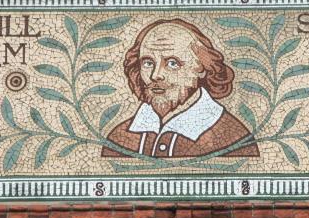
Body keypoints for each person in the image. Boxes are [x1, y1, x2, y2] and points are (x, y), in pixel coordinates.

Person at [101, 18, 259, 159]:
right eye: (148, 63)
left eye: (172, 63)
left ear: (202, 68)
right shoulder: (119, 138)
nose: (155, 75)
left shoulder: (233, 139)